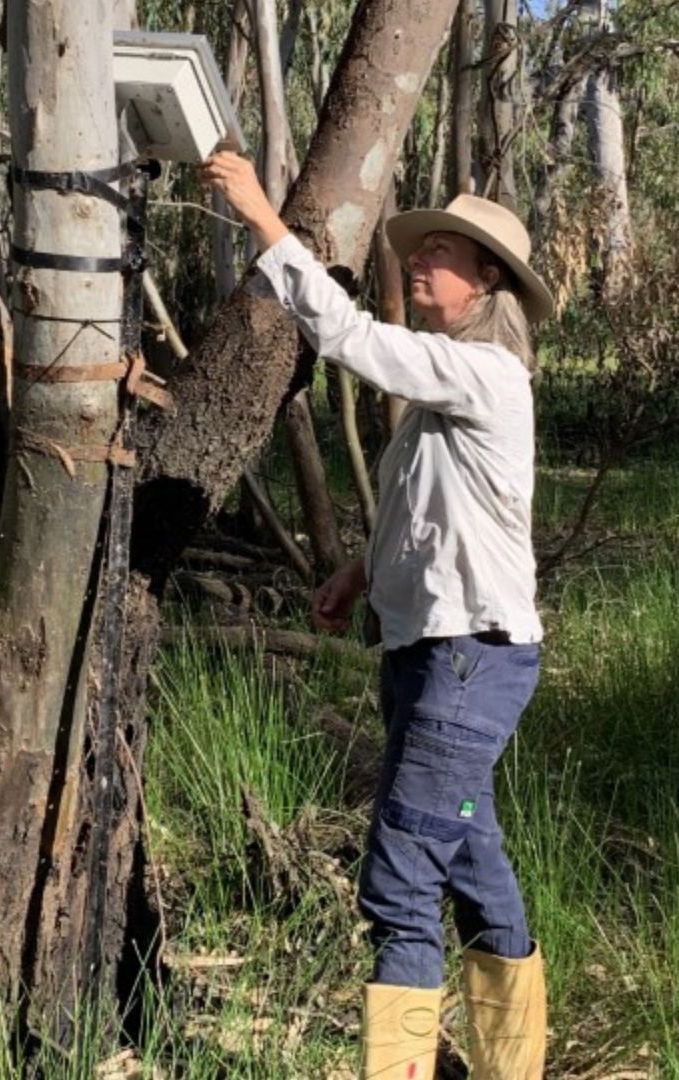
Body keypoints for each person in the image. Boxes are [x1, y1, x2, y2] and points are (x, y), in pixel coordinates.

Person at [202, 151, 557, 1080]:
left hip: (470, 661)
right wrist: (359, 574)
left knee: (401, 879)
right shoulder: (443, 399)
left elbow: (355, 340)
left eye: (445, 254)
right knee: (468, 853)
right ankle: (511, 1068)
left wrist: (266, 227)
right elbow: (428, 510)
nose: (424, 263)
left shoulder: (487, 375)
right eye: (424, 249)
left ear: (488, 284)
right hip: (431, 654)